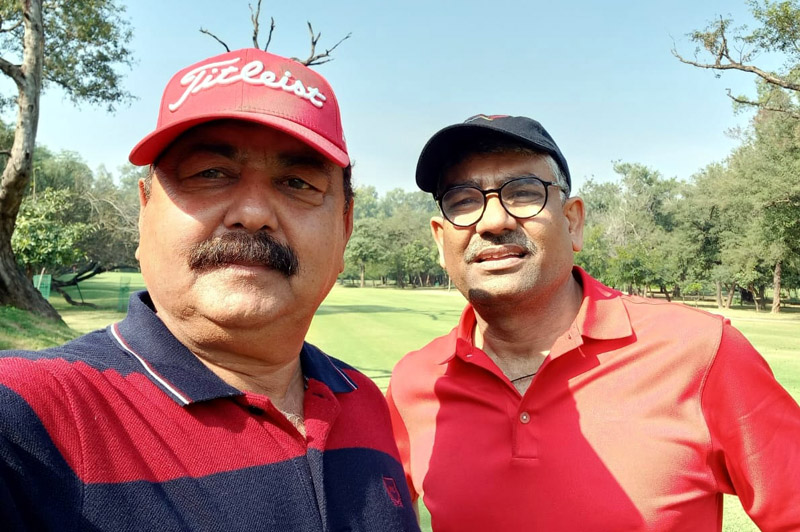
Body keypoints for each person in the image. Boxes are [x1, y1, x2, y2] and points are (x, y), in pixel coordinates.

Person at [0, 48, 419, 532]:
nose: (253, 212)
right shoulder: (34, 416)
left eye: (297, 181)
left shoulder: (362, 399)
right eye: (209, 174)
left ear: (345, 226)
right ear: (145, 211)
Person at [386, 114, 800, 531]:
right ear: (441, 241)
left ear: (572, 222)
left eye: (524, 192)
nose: (494, 221)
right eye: (464, 200)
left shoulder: (702, 351)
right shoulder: (414, 384)